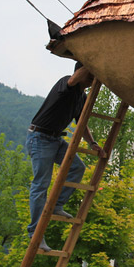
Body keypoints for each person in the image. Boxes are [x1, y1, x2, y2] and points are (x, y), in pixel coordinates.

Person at [26, 61, 104, 252]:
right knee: (40, 185)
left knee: (78, 168)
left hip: (55, 140)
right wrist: (91, 56)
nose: (92, 78)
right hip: (40, 137)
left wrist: (92, 143)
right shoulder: (66, 84)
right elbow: (77, 77)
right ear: (81, 71)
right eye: (90, 74)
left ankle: (56, 204)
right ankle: (35, 233)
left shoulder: (82, 97)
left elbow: (82, 123)